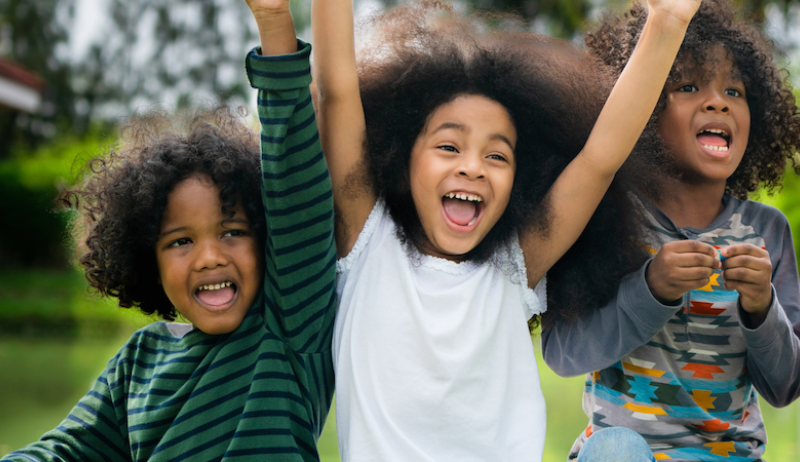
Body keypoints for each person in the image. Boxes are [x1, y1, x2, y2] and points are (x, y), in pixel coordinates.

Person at [306, 0, 699, 459]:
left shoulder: (514, 267)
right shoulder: (368, 241)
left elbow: (599, 159)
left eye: (497, 156)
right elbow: (337, 91)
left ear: (522, 183)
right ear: (400, 156)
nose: (472, 167)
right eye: (449, 146)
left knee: (617, 449)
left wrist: (668, 22)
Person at [1, 3, 336, 461]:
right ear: (148, 261)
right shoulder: (138, 361)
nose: (209, 257)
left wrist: (275, 20)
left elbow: (296, 183)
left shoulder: (288, 329)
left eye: (232, 231)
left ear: (267, 241)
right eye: (180, 241)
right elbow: (65, 451)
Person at [541, 0, 800, 460]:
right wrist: (650, 289)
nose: (717, 100)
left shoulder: (766, 230)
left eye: (735, 92)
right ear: (644, 111)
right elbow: (564, 354)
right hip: (625, 452)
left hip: (729, 454)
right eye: (688, 85)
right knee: (615, 449)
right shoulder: (609, 214)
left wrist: (762, 308)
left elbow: (785, 386)